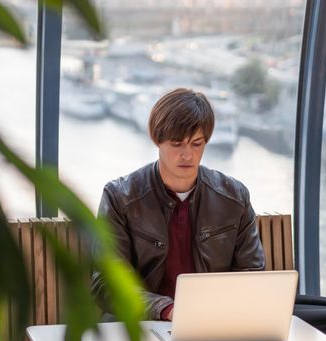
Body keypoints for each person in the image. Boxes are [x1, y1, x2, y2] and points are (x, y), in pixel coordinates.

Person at [91, 87, 265, 321]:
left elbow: (252, 275)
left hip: (212, 323)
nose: (187, 155)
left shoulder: (234, 197)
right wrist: (168, 309)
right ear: (157, 140)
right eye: (176, 144)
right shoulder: (120, 197)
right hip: (141, 323)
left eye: (196, 143)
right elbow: (106, 284)